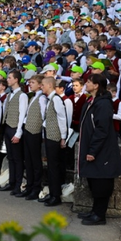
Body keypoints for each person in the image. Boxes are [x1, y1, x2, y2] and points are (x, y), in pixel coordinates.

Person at [78, 74, 121, 226]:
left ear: (97, 85)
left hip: (102, 150)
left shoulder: (103, 104)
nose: (86, 83)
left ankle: (99, 214)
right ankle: (94, 211)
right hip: (92, 147)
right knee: (93, 180)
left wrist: (92, 150)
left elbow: (102, 129)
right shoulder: (92, 101)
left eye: (89, 82)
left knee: (101, 183)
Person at [41, 77, 68, 207]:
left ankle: (56, 195)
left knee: (54, 167)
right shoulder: (50, 99)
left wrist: (63, 137)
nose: (42, 87)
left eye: (43, 85)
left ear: (49, 85)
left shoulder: (56, 99)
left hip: (55, 137)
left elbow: (62, 118)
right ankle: (52, 193)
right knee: (51, 167)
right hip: (49, 135)